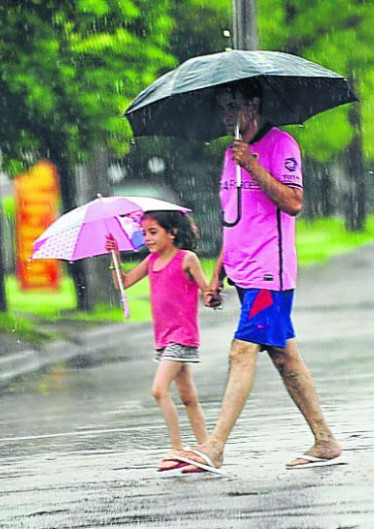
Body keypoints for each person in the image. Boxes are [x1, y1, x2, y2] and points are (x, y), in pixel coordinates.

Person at [175, 79, 342, 474]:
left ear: (253, 104)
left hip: (271, 272)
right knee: (285, 356)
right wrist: (217, 275)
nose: (226, 114)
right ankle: (324, 439)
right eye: (221, 107)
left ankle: (214, 447)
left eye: (232, 105)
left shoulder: (280, 145)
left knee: (242, 350)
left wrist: (253, 164)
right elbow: (232, 221)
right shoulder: (228, 155)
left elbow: (294, 202)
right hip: (243, 270)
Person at [105, 210, 214, 472]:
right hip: (164, 338)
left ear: (172, 232)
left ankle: (177, 448)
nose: (148, 238)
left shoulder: (186, 259)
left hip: (182, 336)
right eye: (144, 233)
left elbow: (206, 290)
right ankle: (207, 449)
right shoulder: (151, 260)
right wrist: (115, 258)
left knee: (159, 389)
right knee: (188, 397)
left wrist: (211, 297)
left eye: (153, 232)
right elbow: (124, 283)